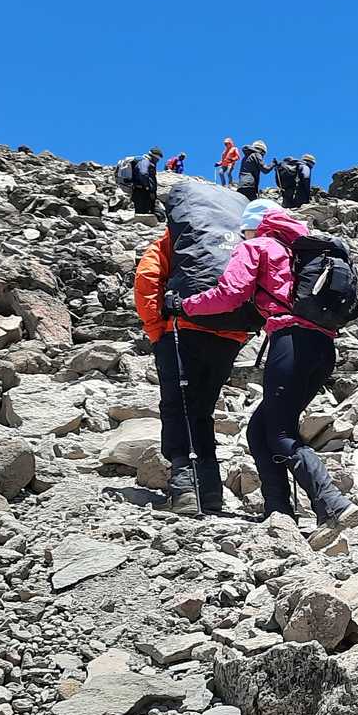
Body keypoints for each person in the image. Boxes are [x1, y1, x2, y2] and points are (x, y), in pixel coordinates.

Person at [173, 205, 352, 525]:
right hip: (323, 348)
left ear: (254, 227)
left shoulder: (258, 246)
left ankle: (332, 502)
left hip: (291, 344)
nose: (243, 237)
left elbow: (229, 294)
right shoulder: (299, 251)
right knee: (259, 430)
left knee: (280, 431)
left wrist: (184, 306)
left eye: (245, 231)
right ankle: (278, 510)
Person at [132, 212, 251, 515]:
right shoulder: (234, 241)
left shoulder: (177, 241)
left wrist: (156, 329)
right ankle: (210, 493)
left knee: (178, 407)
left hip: (182, 332)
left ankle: (185, 490)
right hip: (229, 338)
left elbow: (147, 278)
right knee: (202, 410)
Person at [127, 146, 162, 217]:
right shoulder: (145, 161)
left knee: (145, 211)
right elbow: (143, 173)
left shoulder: (146, 162)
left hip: (143, 191)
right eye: (157, 159)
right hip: (142, 191)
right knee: (142, 213)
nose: (157, 161)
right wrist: (147, 187)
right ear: (154, 156)